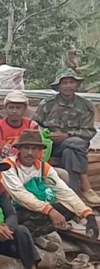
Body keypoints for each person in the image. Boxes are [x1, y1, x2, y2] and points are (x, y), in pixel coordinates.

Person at [0, 130, 98, 245]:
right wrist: (50, 211)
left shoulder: (43, 167)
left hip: (35, 208)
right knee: (38, 214)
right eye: (26, 148)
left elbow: (64, 191)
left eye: (34, 148)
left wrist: (88, 214)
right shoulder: (8, 165)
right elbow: (20, 195)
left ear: (40, 151)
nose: (30, 153)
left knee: (69, 208)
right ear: (19, 149)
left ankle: (34, 236)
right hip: (10, 211)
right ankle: (18, 239)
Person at [33, 68, 100, 205]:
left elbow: (89, 132)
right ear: (58, 86)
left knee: (72, 149)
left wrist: (67, 135)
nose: (68, 86)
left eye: (71, 82)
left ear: (76, 85)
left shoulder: (85, 105)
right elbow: (34, 125)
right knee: (76, 145)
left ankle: (72, 193)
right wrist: (48, 135)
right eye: (64, 83)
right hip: (51, 146)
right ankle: (85, 185)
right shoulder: (47, 104)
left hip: (75, 145)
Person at [0, 91, 39, 160]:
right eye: (11, 107)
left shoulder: (32, 126)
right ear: (6, 108)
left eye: (18, 108)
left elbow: (37, 151)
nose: (14, 111)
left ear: (24, 109)